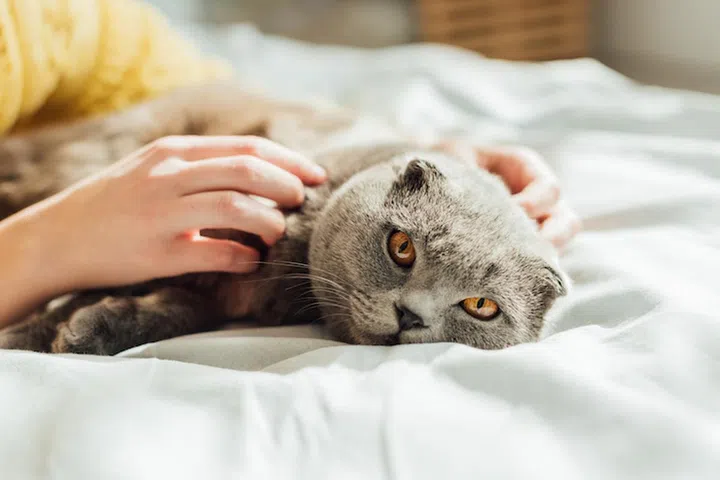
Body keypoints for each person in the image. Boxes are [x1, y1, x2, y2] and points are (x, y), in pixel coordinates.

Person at [0, 0, 580, 329]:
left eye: (480, 308)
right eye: (402, 252)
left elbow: (198, 94)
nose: (413, 313)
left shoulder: (58, 18)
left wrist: (412, 156)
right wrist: (40, 248)